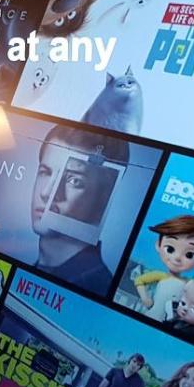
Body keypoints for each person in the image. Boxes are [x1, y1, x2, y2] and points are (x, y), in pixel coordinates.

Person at [32, 126, 132, 295]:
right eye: (45, 172)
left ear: (103, 197)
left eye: (74, 180)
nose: (46, 193)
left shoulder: (98, 289)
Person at [132, 216, 194, 321]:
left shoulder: (189, 284)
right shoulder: (161, 276)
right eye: (170, 249)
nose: (177, 257)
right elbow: (139, 280)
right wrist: (145, 298)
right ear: (158, 245)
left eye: (190, 255)